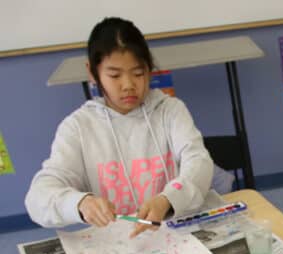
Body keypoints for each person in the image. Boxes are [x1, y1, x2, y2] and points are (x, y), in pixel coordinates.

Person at [25, 17, 213, 238]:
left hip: (175, 235)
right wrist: (80, 203)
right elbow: (38, 196)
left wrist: (167, 199)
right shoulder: (78, 127)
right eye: (114, 75)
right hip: (117, 244)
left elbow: (199, 163)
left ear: (149, 69)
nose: (128, 85)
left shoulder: (170, 111)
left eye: (138, 73)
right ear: (92, 73)